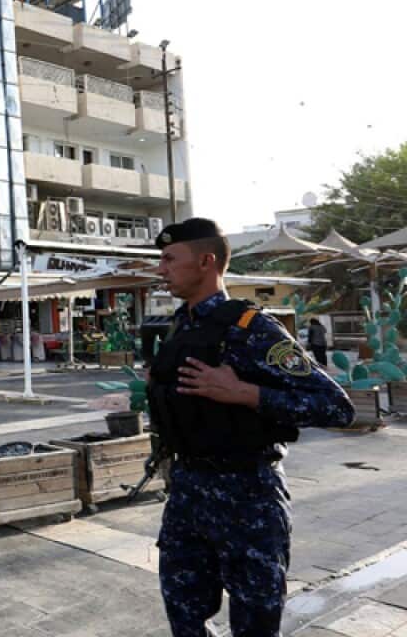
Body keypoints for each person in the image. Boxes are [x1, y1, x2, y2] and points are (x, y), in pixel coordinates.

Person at [148, 218, 354, 636]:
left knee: (256, 624)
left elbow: (337, 408)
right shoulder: (178, 326)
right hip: (188, 494)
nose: (161, 268)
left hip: (248, 499)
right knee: (184, 617)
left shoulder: (254, 329)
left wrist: (246, 394)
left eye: (170, 259)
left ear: (206, 262)